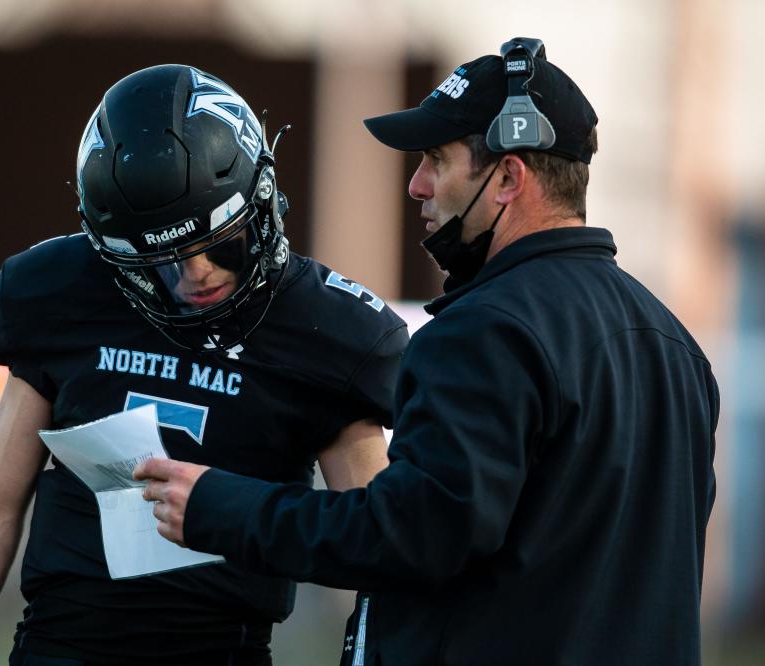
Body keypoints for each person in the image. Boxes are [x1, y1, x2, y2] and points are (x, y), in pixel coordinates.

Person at [137, 38, 720, 665]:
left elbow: (409, 537)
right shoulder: (675, 345)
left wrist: (223, 508)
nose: (416, 186)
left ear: (508, 177)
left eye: (437, 160)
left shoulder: (486, 331)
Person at [0, 65, 408, 666]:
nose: (197, 274)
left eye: (222, 242)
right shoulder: (61, 294)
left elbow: (379, 546)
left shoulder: (328, 330)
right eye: (163, 262)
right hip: (59, 647)